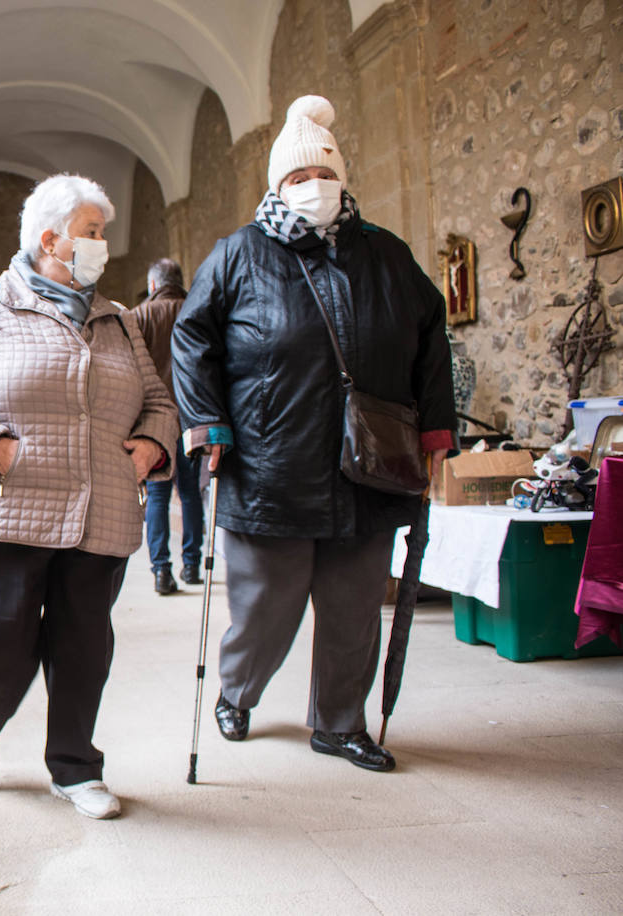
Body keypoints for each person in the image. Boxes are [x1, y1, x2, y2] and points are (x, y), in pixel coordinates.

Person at [171, 96, 455, 773]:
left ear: (342, 177)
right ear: (277, 185)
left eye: (322, 175)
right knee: (268, 608)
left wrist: (436, 431)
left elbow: (430, 339)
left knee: (355, 609)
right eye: (297, 178)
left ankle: (340, 723)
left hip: (371, 462)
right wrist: (206, 421)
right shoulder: (238, 254)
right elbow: (192, 336)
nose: (313, 187)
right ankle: (238, 690)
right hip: (272, 464)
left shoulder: (386, 254)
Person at [0, 173, 178, 818]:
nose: (102, 246)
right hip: (8, 507)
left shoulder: (117, 321)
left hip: (100, 512)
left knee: (84, 646)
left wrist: (151, 444)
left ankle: (75, 767)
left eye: (103, 234)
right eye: (92, 233)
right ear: (50, 239)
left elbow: (159, 401)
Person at [132, 257, 204, 595]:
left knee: (158, 495)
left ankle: (162, 570)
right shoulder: (197, 309)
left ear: (152, 285)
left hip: (155, 421)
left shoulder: (140, 316)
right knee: (191, 495)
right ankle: (192, 564)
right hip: (192, 417)